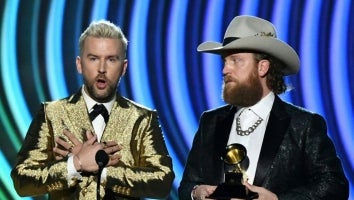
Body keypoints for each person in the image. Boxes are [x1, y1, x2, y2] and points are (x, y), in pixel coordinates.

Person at [178, 15, 349, 200]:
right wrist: (196, 193)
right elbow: (187, 185)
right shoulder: (210, 122)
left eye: (236, 60)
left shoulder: (303, 125)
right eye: (225, 61)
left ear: (262, 67)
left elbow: (334, 186)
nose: (225, 70)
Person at [11, 20, 174, 200]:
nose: (102, 69)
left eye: (111, 59)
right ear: (80, 64)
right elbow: (21, 180)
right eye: (93, 58)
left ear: (124, 68)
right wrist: (76, 163)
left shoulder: (143, 119)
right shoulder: (51, 113)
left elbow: (163, 182)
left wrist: (104, 169)